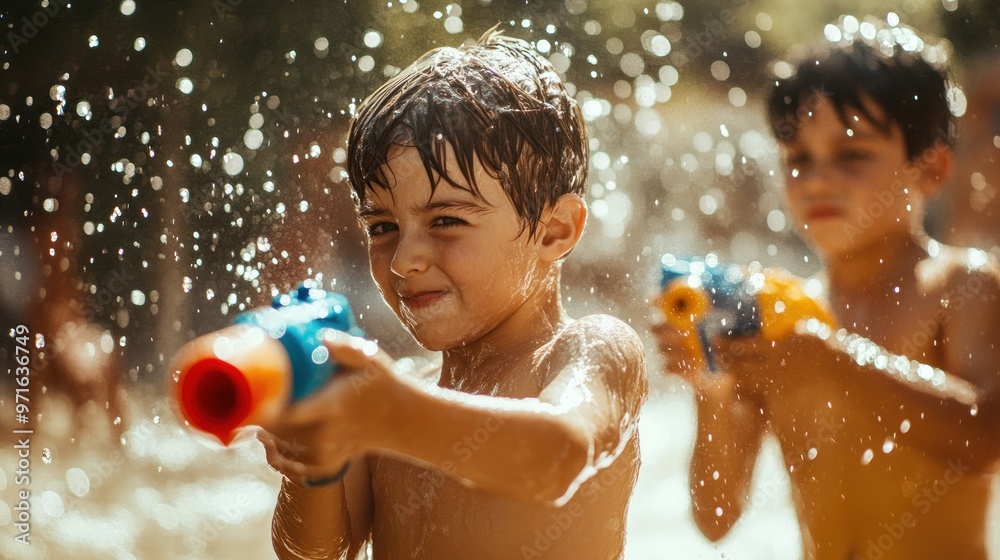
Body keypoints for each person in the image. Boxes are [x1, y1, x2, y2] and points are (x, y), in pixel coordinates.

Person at [256, 28, 648, 560]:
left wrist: (388, 413)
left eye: (446, 219)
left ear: (555, 230)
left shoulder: (588, 351)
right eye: (381, 227)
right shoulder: (399, 393)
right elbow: (317, 554)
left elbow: (558, 457)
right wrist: (312, 465)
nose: (403, 259)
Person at [652, 18, 1000, 560]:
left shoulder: (961, 286)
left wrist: (838, 362)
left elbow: (988, 440)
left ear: (930, 169)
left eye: (852, 153)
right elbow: (716, 516)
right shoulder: (782, 319)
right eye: (798, 158)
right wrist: (712, 390)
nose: (816, 178)